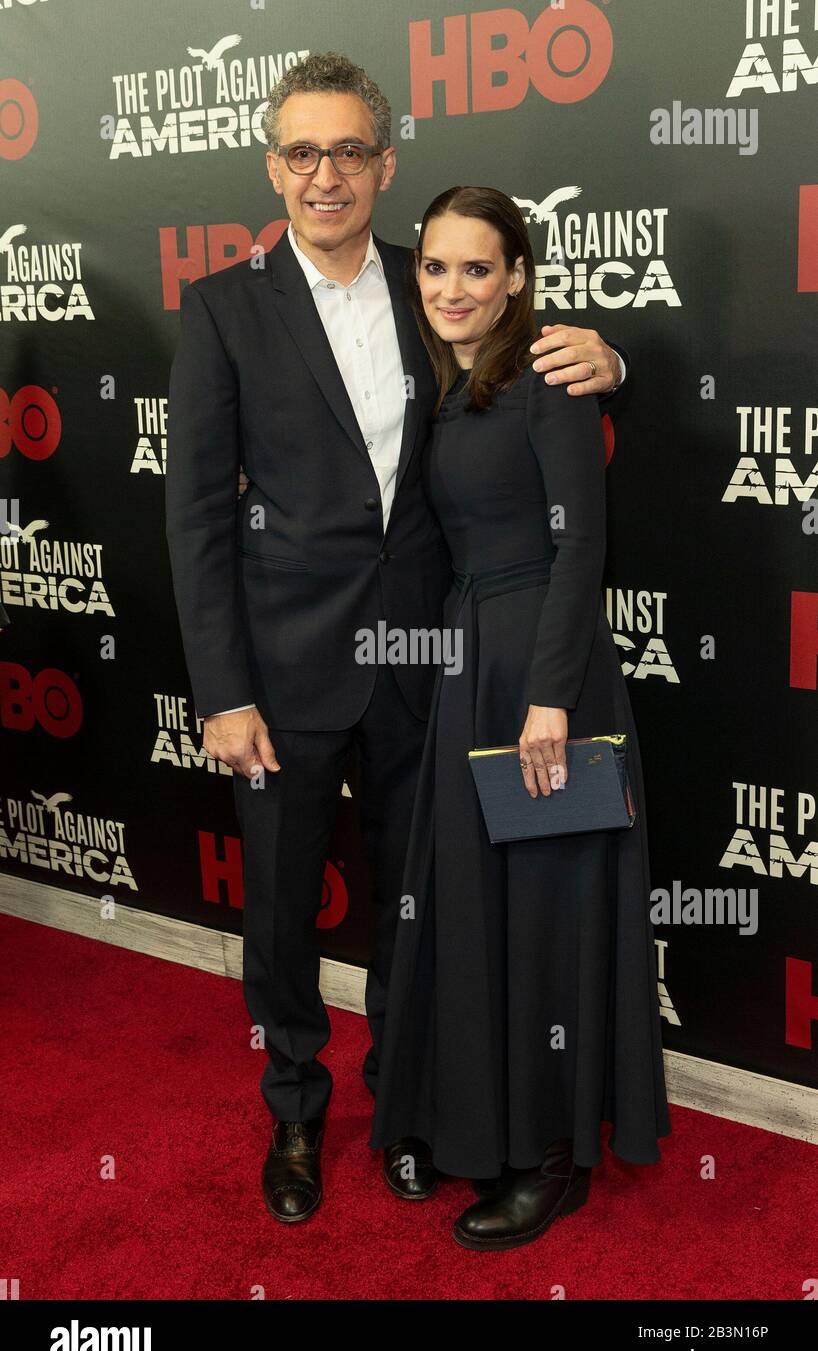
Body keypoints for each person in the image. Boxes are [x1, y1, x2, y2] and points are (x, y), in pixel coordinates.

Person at [164, 52, 630, 1226]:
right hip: (282, 670)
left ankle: (404, 1102)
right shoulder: (223, 307)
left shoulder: (432, 284)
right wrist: (221, 689)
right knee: (280, 907)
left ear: (383, 163)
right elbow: (196, 514)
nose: (324, 175)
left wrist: (611, 359)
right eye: (301, 152)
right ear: (273, 167)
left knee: (423, 899)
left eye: (347, 152)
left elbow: (523, 376)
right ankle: (295, 1109)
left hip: (433, 663)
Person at [370, 185, 671, 1250]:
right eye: (435, 267)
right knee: (479, 907)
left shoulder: (550, 374)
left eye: (477, 268)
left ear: (517, 278)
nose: (452, 288)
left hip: (547, 674)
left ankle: (555, 1158)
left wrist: (549, 700)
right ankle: (481, 1125)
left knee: (549, 911)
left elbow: (580, 545)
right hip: (469, 669)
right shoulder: (448, 388)